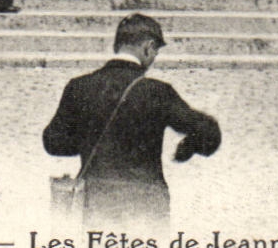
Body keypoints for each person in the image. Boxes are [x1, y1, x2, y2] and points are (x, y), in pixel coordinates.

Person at [43, 13, 221, 228]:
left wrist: (91, 140)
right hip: (146, 202)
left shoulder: (79, 87)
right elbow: (209, 133)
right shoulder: (157, 91)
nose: (153, 58)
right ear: (148, 47)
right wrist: (187, 148)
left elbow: (53, 142)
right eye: (155, 52)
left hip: (96, 200)